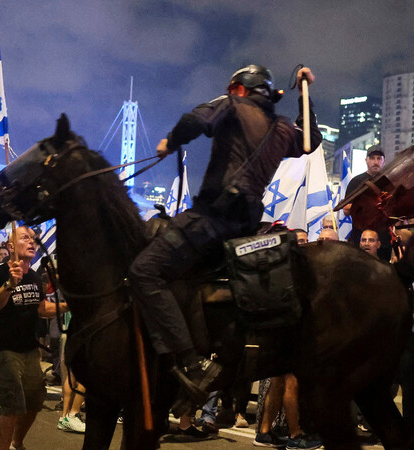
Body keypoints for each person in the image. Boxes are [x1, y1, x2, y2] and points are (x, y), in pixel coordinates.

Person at [129, 64, 321, 405]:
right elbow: (310, 141)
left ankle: (192, 362)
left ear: (241, 89)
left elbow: (195, 121)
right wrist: (306, 94)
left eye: (234, 89)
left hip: (212, 219)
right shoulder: (282, 128)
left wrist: (169, 142)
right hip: (245, 225)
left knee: (144, 270)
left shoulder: (232, 104)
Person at [0, 227, 67, 450]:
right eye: (25, 239)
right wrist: (9, 285)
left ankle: (15, 446)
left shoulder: (32, 275)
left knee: (34, 401)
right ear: (10, 244)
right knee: (11, 407)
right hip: (3, 349)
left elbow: (40, 308)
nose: (31, 242)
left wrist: (69, 306)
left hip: (29, 349)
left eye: (33, 239)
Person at [341, 144, 392, 260]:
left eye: (379, 158)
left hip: (383, 241)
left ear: (384, 161)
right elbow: (346, 210)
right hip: (360, 240)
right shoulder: (356, 182)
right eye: (372, 158)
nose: (376, 162)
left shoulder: (389, 182)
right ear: (366, 160)